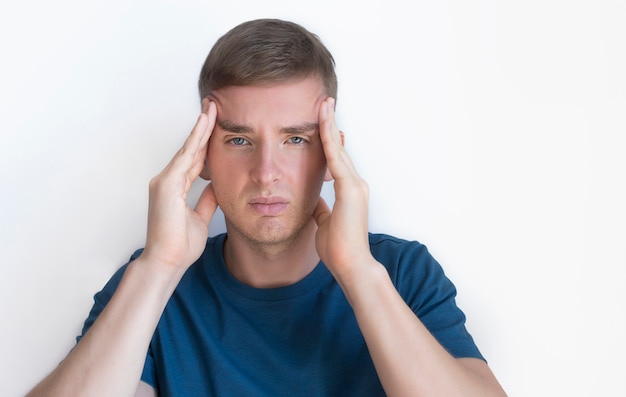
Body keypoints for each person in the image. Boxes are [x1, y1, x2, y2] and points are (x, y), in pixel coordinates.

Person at [27, 19, 506, 396]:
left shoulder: (400, 273)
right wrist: (159, 268)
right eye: (238, 139)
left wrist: (358, 272)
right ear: (202, 156)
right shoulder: (153, 286)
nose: (266, 171)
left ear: (331, 154)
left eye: (296, 139)